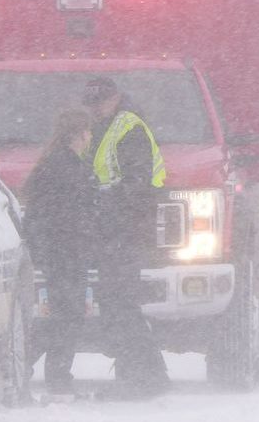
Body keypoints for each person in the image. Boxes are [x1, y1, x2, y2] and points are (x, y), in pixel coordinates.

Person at [83, 76, 172, 399]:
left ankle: (142, 375)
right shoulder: (107, 126)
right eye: (91, 102)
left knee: (122, 306)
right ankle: (141, 373)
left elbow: (137, 184)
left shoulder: (127, 128)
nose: (95, 108)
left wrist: (105, 198)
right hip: (114, 231)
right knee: (119, 306)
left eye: (100, 101)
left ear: (115, 98)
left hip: (125, 230)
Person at [22, 108, 99, 396]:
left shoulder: (53, 163)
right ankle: (48, 371)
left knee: (63, 314)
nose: (90, 137)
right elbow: (68, 212)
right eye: (88, 132)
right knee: (68, 315)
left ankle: (31, 364)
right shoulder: (67, 168)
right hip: (66, 251)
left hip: (59, 251)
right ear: (79, 134)